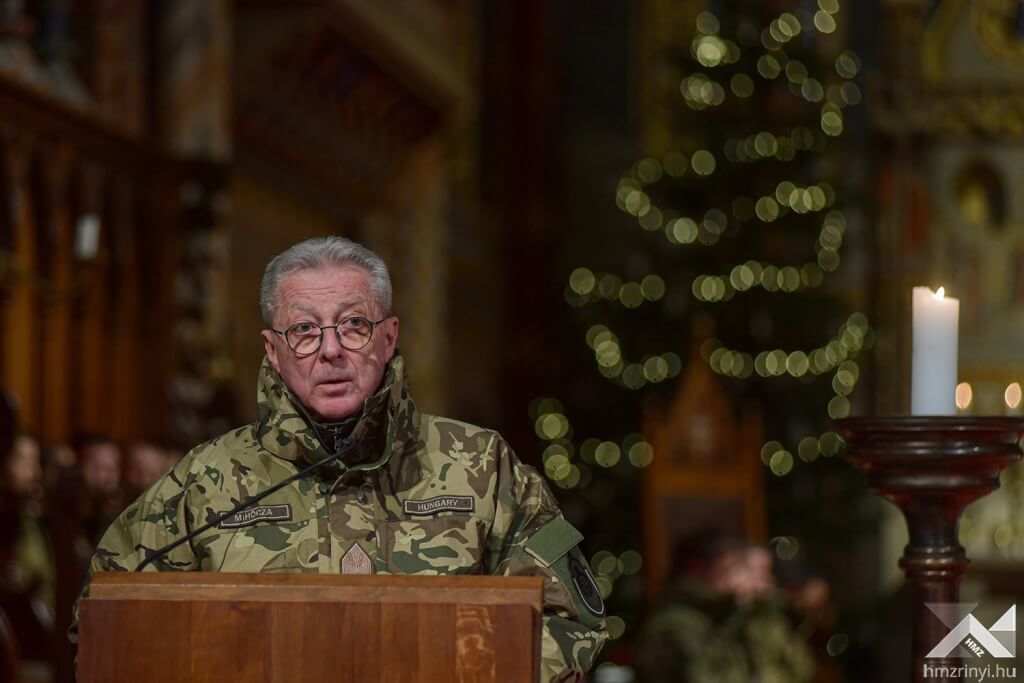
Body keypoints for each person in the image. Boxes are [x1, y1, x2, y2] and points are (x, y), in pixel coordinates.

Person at [76, 236, 607, 681]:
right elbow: (105, 615)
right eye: (304, 330)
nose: (330, 350)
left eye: (353, 324)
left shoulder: (483, 465)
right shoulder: (204, 479)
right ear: (273, 350)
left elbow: (568, 618)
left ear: (388, 337)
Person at [634, 529, 815, 683]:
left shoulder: (735, 614)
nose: (740, 580)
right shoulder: (675, 624)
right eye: (728, 570)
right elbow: (706, 677)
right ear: (696, 570)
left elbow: (800, 668)